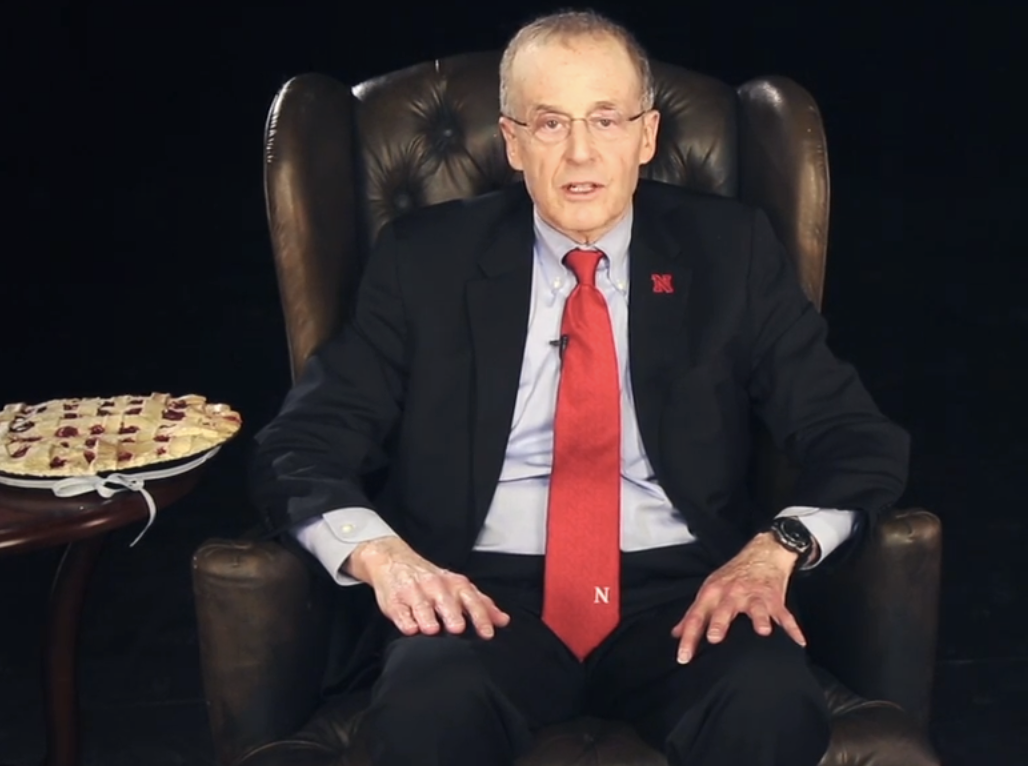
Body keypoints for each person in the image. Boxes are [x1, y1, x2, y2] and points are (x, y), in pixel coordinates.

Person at [249, 9, 909, 766]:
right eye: (551, 123)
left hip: (687, 592)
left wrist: (778, 547)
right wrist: (385, 559)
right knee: (426, 703)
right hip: (480, 592)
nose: (581, 153)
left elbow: (855, 437)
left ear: (647, 137)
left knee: (769, 699)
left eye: (606, 119)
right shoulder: (423, 262)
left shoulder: (730, 253)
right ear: (513, 143)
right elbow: (300, 446)